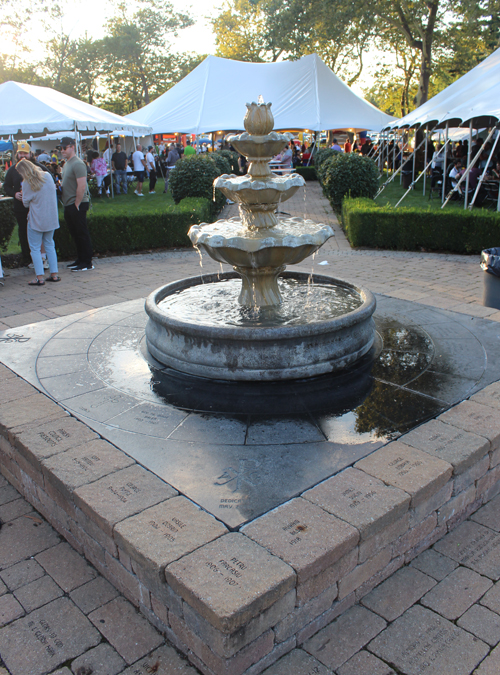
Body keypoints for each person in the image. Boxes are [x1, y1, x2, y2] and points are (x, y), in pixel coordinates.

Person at [3, 140, 50, 267]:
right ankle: (27, 258)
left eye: (25, 153)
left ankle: (42, 258)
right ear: (16, 155)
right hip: (20, 207)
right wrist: (14, 194)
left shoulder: (39, 167)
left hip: (37, 207)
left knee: (40, 232)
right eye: (20, 153)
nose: (23, 156)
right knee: (24, 231)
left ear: (30, 154)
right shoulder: (13, 170)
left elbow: (49, 180)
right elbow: (6, 186)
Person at [16, 159, 60, 286]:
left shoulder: (27, 183)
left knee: (35, 248)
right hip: (51, 217)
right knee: (50, 245)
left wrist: (23, 194)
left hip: (36, 218)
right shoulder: (47, 176)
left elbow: (25, 203)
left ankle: (39, 277)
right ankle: (54, 274)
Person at [60, 136, 93, 272]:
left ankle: (87, 262)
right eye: (61, 148)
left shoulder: (78, 164)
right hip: (69, 203)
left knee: (81, 233)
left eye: (64, 148)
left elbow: (82, 185)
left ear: (72, 147)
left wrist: (77, 204)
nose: (62, 150)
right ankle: (80, 259)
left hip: (77, 203)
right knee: (75, 234)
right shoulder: (67, 164)